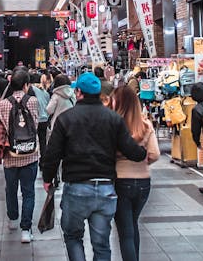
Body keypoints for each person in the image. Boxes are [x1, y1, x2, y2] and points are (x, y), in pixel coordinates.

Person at [41, 72, 147, 261]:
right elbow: (132, 150)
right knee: (101, 244)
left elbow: (52, 153)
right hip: (105, 188)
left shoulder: (66, 119)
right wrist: (143, 151)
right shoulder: (113, 119)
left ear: (79, 92)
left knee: (73, 237)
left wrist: (48, 179)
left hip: (76, 188)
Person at [110, 86, 160, 261]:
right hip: (144, 182)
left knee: (125, 232)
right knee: (132, 225)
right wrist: (144, 161)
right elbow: (155, 154)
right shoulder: (146, 124)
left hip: (121, 182)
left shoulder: (114, 124)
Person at [0, 70, 39, 243]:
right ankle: (26, 230)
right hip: (30, 154)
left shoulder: (4, 104)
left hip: (11, 155)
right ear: (26, 85)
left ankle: (13, 218)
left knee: (11, 189)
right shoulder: (33, 101)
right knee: (29, 192)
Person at [46, 74, 76, 139]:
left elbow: (49, 110)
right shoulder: (72, 94)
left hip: (57, 124)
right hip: (71, 123)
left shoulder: (56, 95)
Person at [29, 72, 51, 156]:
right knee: (43, 141)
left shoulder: (31, 90)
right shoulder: (45, 92)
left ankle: (33, 157)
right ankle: (43, 160)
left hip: (35, 119)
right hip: (44, 119)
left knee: (33, 139)